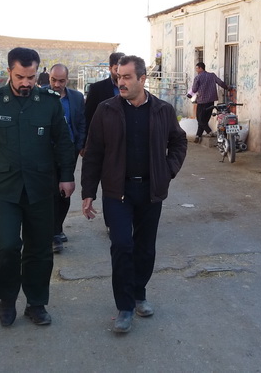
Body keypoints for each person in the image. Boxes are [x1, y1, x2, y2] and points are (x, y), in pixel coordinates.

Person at [0, 47, 76, 327]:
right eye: (20, 77)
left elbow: (63, 142)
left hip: (41, 187)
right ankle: (7, 298)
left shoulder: (49, 102)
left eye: (31, 77)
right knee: (7, 246)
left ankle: (36, 303)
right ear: (9, 73)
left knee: (39, 249)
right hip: (6, 188)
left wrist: (67, 175)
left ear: (38, 73)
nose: (26, 82)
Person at [81, 55, 187, 333]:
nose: (121, 82)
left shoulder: (162, 110)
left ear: (142, 79)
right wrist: (88, 192)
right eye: (119, 76)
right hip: (117, 190)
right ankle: (125, 307)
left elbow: (178, 141)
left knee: (145, 247)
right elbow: (93, 153)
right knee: (121, 245)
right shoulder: (106, 110)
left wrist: (168, 170)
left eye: (127, 77)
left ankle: (139, 293)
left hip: (151, 190)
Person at [48, 63, 86, 254]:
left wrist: (79, 145)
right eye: (53, 80)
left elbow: (81, 122)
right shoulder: (40, 96)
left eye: (61, 81)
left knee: (65, 191)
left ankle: (58, 227)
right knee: (50, 193)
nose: (57, 84)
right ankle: (53, 234)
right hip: (46, 152)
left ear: (67, 80)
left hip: (69, 152)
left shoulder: (77, 98)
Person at [84, 51, 125, 149]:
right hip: (104, 142)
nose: (120, 74)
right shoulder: (97, 89)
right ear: (110, 68)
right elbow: (88, 117)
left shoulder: (130, 88)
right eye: (116, 69)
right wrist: (85, 144)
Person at [187, 62, 228, 144]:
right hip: (211, 101)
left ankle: (209, 131)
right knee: (205, 119)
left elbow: (194, 89)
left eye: (197, 68)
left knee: (200, 119)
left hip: (202, 101)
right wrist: (227, 87)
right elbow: (220, 83)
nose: (196, 70)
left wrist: (190, 94)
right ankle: (198, 136)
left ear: (200, 68)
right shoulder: (212, 75)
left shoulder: (198, 77)